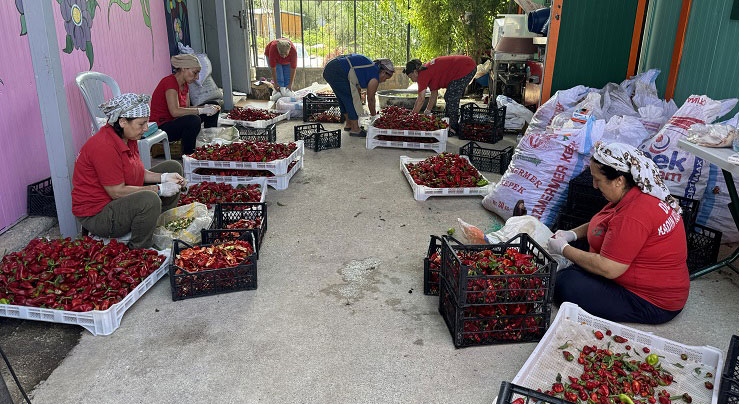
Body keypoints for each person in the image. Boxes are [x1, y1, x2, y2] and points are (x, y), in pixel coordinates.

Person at [548, 142, 689, 324]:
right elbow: (603, 223)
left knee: (565, 284)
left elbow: (609, 268)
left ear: (619, 180)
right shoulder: (637, 192)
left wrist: (565, 249)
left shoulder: (634, 215)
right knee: (580, 251)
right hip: (650, 277)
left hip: (652, 301)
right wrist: (571, 234)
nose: (594, 185)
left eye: (598, 180)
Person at [72, 93, 186, 249]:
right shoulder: (104, 146)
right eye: (141, 124)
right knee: (149, 199)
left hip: (117, 200)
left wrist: (165, 177)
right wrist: (159, 189)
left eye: (146, 123)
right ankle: (139, 248)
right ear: (123, 122)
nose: (146, 129)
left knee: (173, 167)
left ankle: (155, 225)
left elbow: (138, 172)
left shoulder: (128, 137)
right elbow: (116, 192)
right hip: (98, 214)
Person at [150, 54, 220, 155]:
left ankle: (210, 143)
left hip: (176, 121)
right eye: (195, 73)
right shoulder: (169, 82)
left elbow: (186, 109)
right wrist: (201, 110)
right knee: (193, 120)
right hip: (163, 126)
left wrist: (205, 108)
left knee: (213, 105)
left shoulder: (185, 84)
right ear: (183, 68)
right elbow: (175, 111)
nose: (197, 77)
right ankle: (188, 155)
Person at [322, 54, 395, 137]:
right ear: (383, 72)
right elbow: (371, 99)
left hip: (330, 68)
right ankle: (355, 129)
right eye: (386, 78)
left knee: (343, 98)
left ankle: (349, 124)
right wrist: (374, 117)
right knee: (349, 98)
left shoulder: (370, 67)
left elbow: (357, 86)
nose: (384, 80)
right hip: (337, 70)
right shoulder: (374, 76)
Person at [403, 55, 477, 136]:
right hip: (467, 65)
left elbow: (421, 99)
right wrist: (427, 111)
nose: (412, 80)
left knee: (451, 97)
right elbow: (434, 94)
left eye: (411, 77)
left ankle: (453, 128)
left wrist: (412, 117)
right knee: (449, 97)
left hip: (466, 67)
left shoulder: (422, 75)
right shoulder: (427, 71)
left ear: (415, 72)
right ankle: (449, 124)